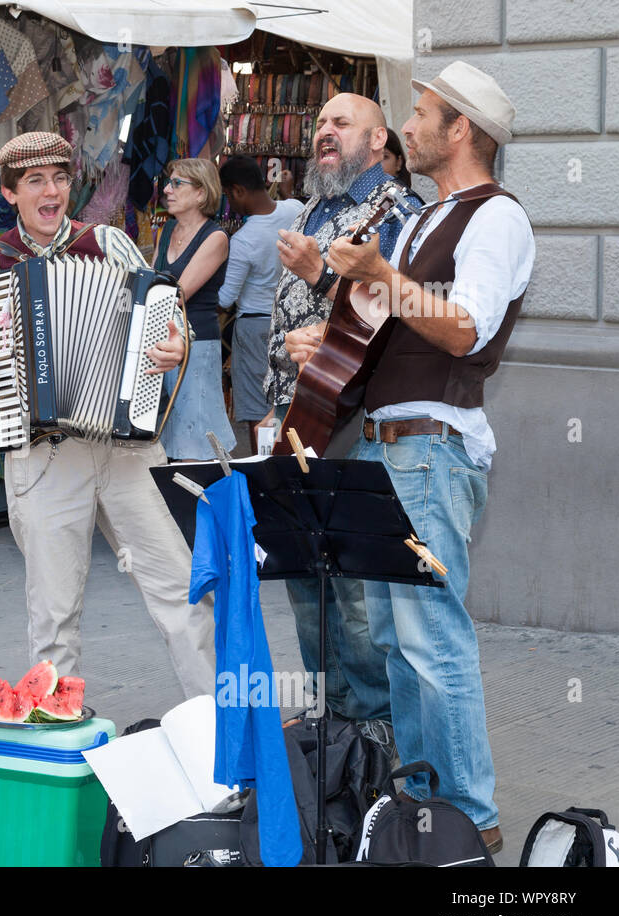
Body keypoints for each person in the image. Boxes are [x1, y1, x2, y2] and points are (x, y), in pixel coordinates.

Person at [306, 61, 533, 852]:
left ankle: (469, 813)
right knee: (404, 645)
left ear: (462, 129)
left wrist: (379, 275)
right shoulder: (438, 215)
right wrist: (335, 308)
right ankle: (428, 807)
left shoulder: (496, 218)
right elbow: (400, 322)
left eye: (426, 112)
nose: (412, 126)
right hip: (391, 447)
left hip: (432, 451)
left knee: (432, 639)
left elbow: (465, 329)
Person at [0, 131, 217, 703]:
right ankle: (56, 738)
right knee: (54, 612)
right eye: (35, 181)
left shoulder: (108, 243)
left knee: (182, 590)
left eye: (60, 179)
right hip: (43, 452)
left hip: (128, 448)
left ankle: (221, 733)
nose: (52, 191)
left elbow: (170, 322)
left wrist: (176, 347)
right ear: (11, 193)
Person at [260, 93, 422, 731]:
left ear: (379, 141)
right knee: (304, 580)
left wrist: (324, 312)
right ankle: (331, 726)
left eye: (341, 123)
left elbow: (387, 318)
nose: (324, 131)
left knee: (352, 591)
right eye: (321, 122)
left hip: (347, 423)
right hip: (293, 417)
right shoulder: (313, 208)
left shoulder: (397, 212)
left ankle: (372, 734)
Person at [216, 156, 304, 454]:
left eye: (227, 195)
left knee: (257, 406)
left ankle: (260, 468)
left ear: (238, 190)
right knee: (287, 402)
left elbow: (225, 298)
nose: (229, 203)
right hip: (294, 323)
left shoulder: (242, 241)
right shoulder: (295, 209)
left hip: (254, 327)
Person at [150, 157, 234, 459]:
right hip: (162, 342)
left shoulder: (215, 237)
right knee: (168, 430)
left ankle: (206, 497)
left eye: (177, 183)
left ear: (201, 193)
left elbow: (177, 294)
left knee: (196, 434)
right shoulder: (166, 229)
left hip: (197, 344)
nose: (167, 190)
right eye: (168, 182)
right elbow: (152, 279)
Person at [381, 129, 425, 204]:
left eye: (384, 157)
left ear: (398, 162)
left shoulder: (409, 203)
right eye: (368, 158)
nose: (376, 164)